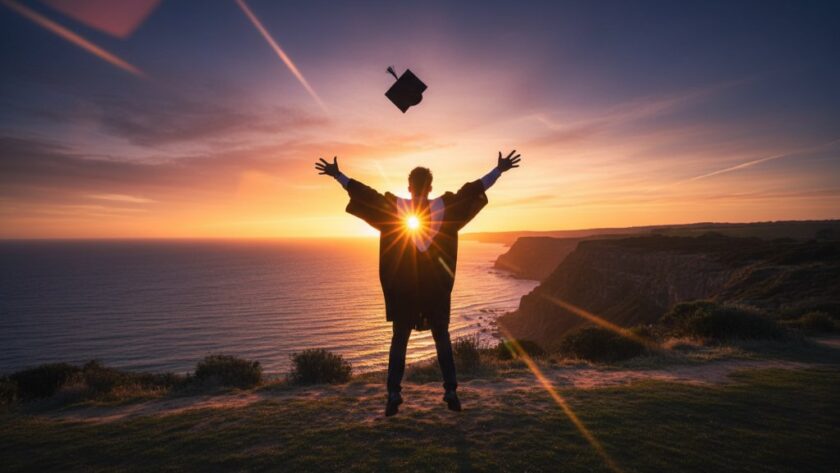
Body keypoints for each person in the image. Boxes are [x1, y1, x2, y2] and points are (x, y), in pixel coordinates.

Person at [315, 150, 521, 416]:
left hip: (404, 289)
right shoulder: (445, 208)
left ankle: (393, 393)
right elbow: (472, 190)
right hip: (435, 288)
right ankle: (450, 391)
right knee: (441, 337)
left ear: (409, 187)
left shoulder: (395, 209)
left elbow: (365, 194)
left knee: (399, 339)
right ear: (431, 187)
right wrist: (499, 170)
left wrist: (338, 175)